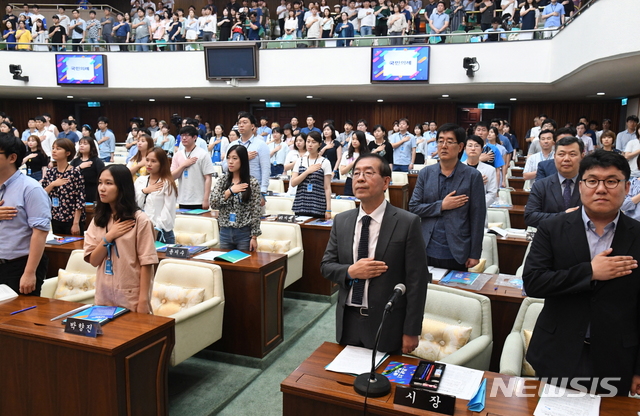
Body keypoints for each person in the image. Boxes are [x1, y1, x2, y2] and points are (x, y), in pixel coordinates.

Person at [523, 150, 640, 397]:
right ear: (581, 185)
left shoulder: (638, 235)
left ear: (627, 186)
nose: (601, 189)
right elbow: (533, 283)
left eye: (611, 181)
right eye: (592, 180)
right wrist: (590, 272)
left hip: (617, 358)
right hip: (557, 351)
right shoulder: (552, 228)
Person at [321, 153, 429, 354]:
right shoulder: (342, 221)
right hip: (349, 319)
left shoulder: (407, 222)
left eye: (368, 173)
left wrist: (411, 330)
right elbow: (326, 266)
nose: (360, 178)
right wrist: (351, 271)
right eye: (356, 173)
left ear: (386, 182)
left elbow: (417, 280)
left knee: (383, 381)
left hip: (387, 321)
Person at [409, 123, 486, 271]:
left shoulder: (472, 176)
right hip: (425, 247)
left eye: (450, 142)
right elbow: (414, 207)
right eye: (440, 141)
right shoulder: (426, 173)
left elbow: (478, 217)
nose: (444, 146)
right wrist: (441, 206)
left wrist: (474, 253)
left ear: (460, 146)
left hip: (456, 251)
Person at [84, 165, 158, 313]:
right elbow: (93, 260)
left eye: (109, 183)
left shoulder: (140, 220)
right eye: (100, 183)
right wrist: (109, 236)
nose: (102, 188)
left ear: (122, 187)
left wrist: (143, 300)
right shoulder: (98, 219)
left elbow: (147, 262)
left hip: (130, 295)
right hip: (103, 294)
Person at [0, 133, 51, 296]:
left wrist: (29, 273)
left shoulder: (31, 189)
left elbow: (40, 233)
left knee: (20, 318)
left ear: (12, 157)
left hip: (19, 265)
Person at [210, 145, 262, 251]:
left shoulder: (252, 182)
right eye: (228, 158)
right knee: (226, 264)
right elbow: (213, 203)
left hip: (244, 233)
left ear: (242, 160)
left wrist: (254, 237)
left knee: (243, 264)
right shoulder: (222, 180)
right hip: (225, 231)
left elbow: (255, 211)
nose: (230, 162)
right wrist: (230, 191)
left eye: (234, 158)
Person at [525, 136, 584, 227]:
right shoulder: (541, 185)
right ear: (554, 156)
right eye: (561, 154)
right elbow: (530, 217)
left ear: (582, 156)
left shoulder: (590, 184)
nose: (566, 159)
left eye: (572, 154)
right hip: (550, 238)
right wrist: (563, 216)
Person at [41, 138, 85, 235]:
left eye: (58, 148)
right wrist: (53, 184)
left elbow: (79, 199)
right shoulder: (50, 172)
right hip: (55, 217)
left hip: (71, 218)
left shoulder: (74, 172)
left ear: (67, 153)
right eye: (53, 148)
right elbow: (42, 194)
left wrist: (76, 223)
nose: (54, 151)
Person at [134, 147, 177, 244]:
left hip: (161, 232)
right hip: (141, 230)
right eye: (147, 160)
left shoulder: (166, 183)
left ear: (161, 163)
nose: (149, 164)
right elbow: (135, 206)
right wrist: (144, 191)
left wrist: (156, 228)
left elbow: (168, 210)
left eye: (153, 161)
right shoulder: (140, 180)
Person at [226, 112, 271, 202]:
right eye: (239, 123)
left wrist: (262, 191)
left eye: (245, 122)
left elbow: (266, 169)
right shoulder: (232, 145)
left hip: (254, 189)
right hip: (233, 188)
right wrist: (244, 158)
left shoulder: (261, 145)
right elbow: (224, 167)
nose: (241, 125)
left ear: (252, 126)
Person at [171, 125, 215, 210]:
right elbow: (172, 177)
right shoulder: (177, 155)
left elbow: (208, 178)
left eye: (186, 135)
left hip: (199, 200)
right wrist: (183, 165)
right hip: (182, 199)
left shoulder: (202, 154)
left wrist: (206, 199)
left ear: (195, 137)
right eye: (182, 136)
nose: (183, 138)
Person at [291, 131, 332, 219]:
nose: (310, 144)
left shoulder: (325, 162)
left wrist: (328, 210)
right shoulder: (300, 161)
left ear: (319, 144)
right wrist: (307, 171)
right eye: (308, 141)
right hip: (301, 204)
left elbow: (327, 187)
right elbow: (293, 183)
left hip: (318, 205)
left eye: (313, 142)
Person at [463, 135, 498, 207]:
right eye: (470, 146)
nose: (473, 148)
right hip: (461, 208)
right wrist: (476, 182)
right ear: (464, 149)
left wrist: (477, 204)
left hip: (480, 208)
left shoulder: (490, 170)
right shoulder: (457, 168)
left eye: (476, 146)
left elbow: (492, 193)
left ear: (482, 149)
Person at [71, 136, 105, 203]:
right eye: (80, 144)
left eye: (85, 144)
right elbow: (68, 175)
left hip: (92, 192)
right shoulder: (75, 161)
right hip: (77, 192)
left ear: (91, 146)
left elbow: (102, 177)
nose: (82, 146)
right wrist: (79, 167)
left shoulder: (97, 161)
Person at [340, 130, 370, 196]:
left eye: (357, 139)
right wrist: (353, 162)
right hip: (350, 181)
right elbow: (342, 171)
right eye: (353, 139)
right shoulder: (346, 154)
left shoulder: (367, 155)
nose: (354, 141)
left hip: (363, 181)